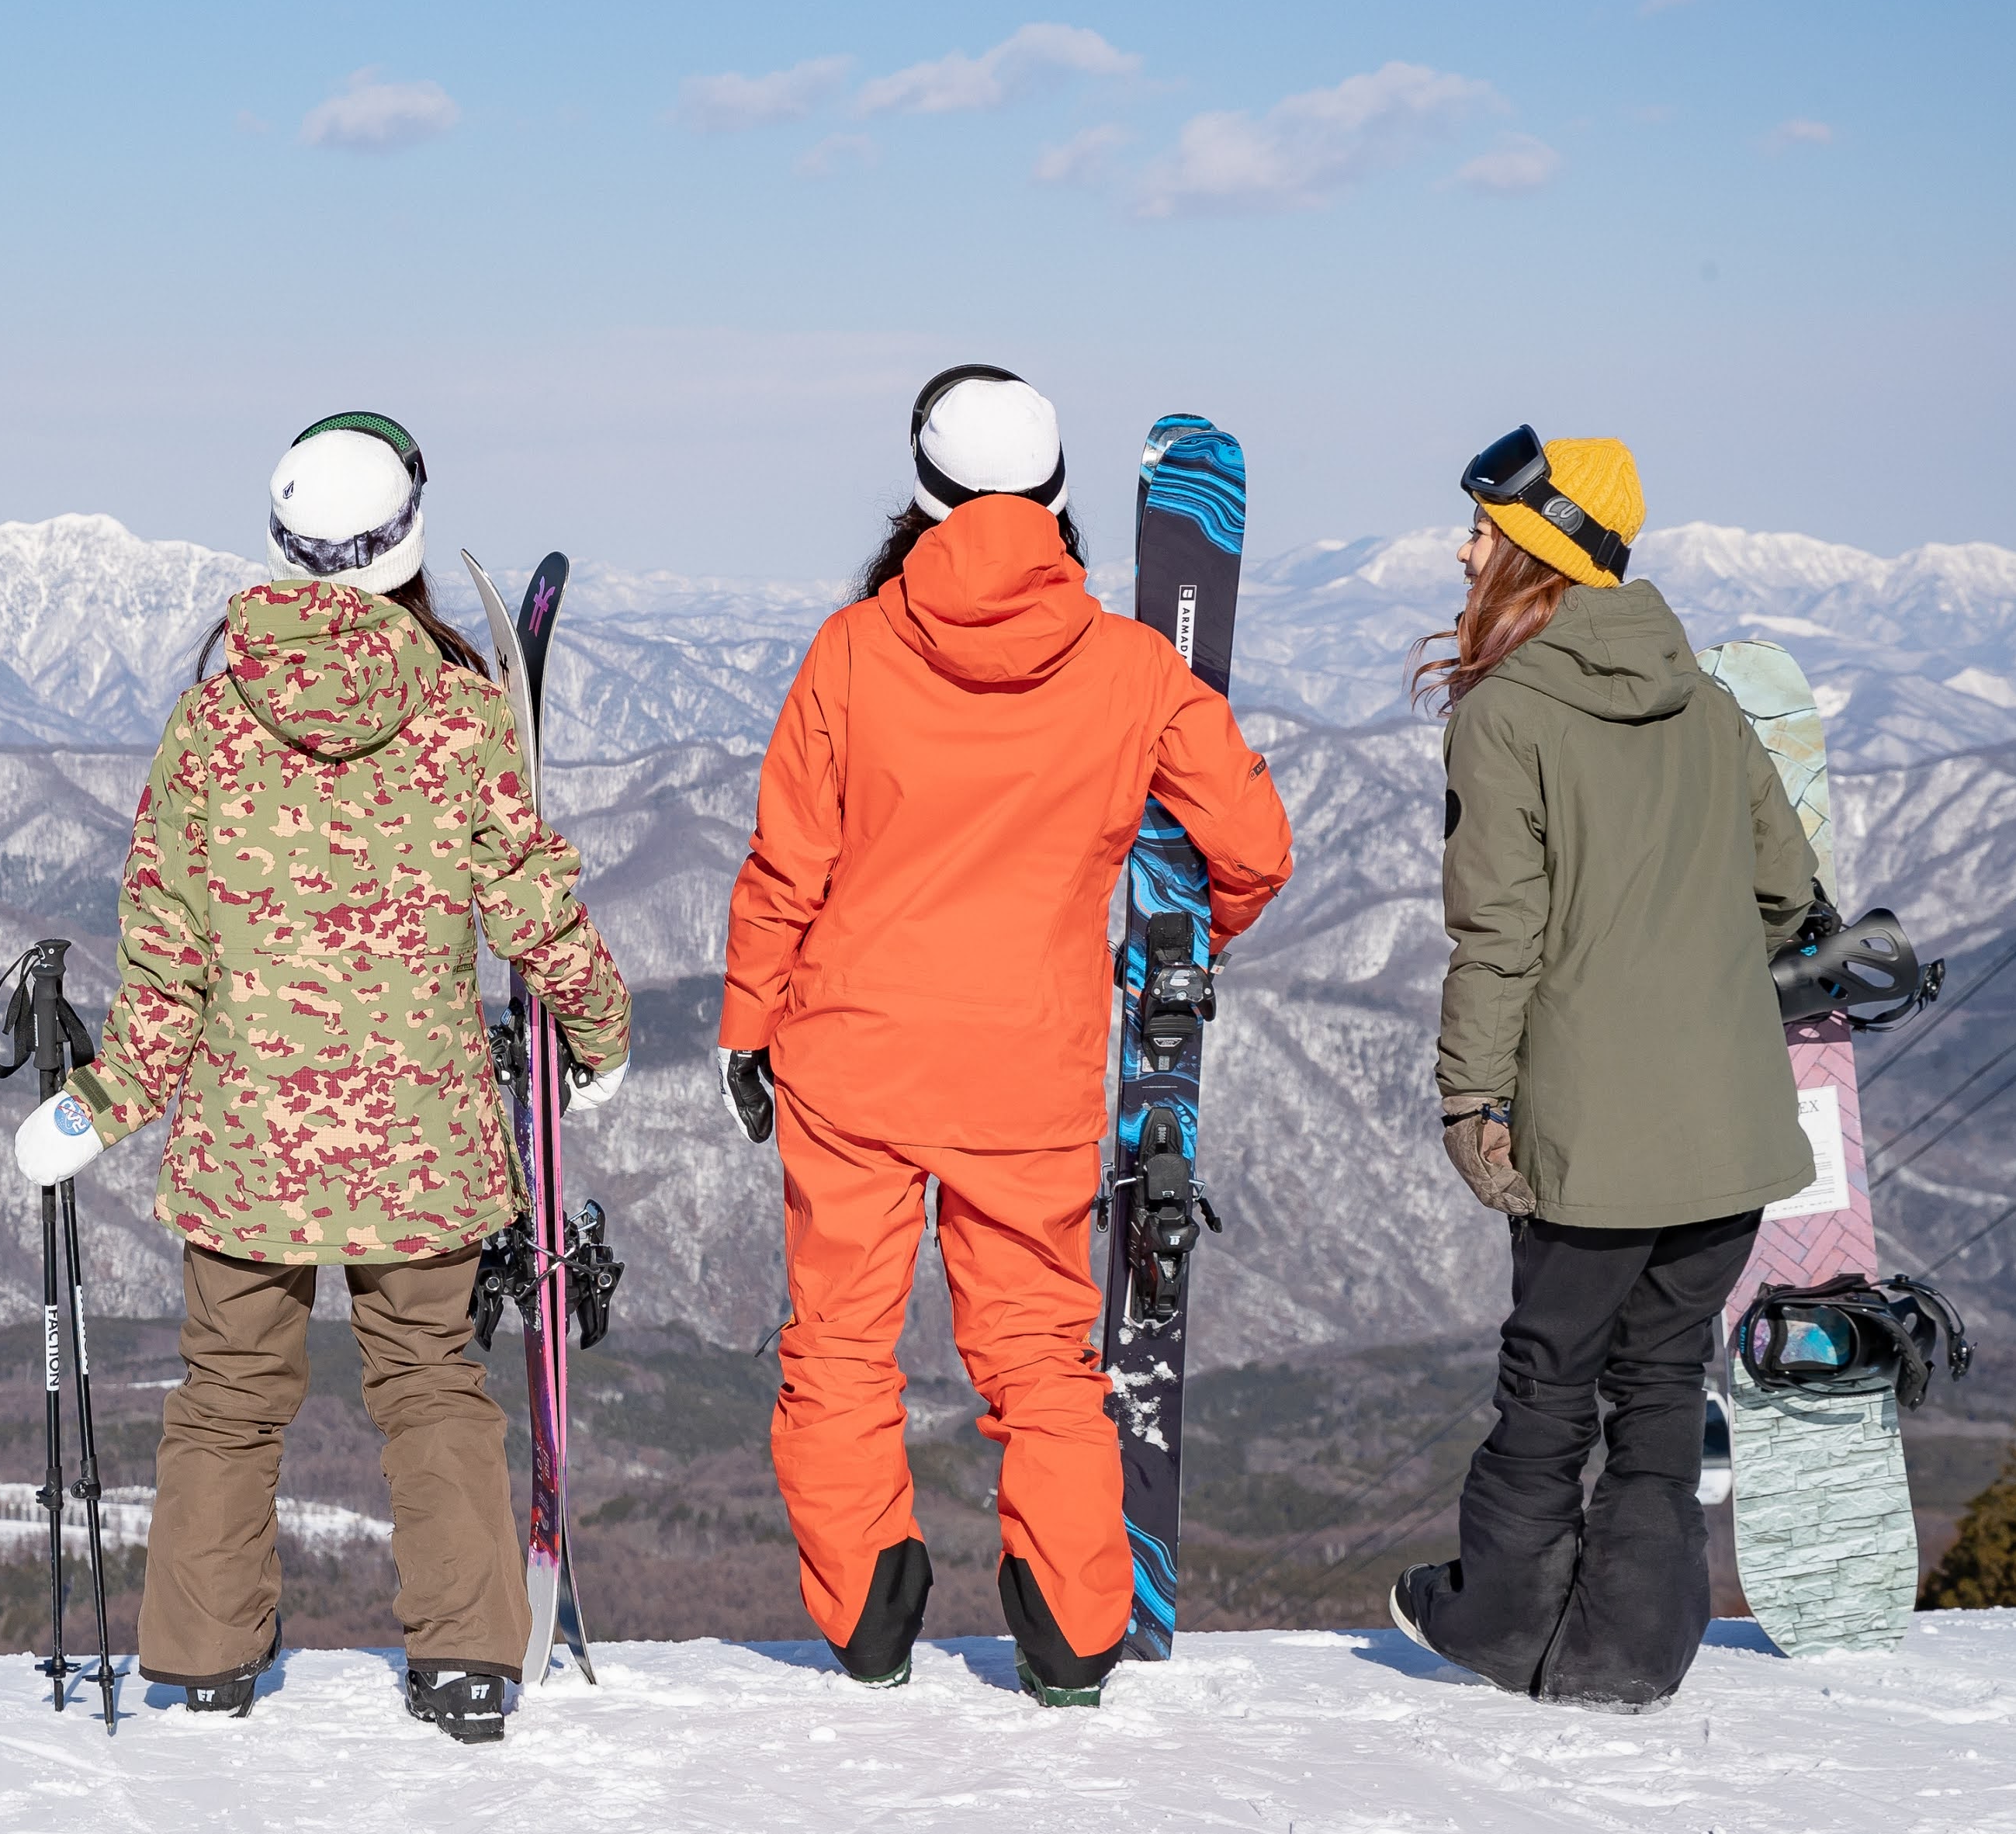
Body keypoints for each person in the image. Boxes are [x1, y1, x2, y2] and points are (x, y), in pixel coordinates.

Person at [9, 410, 630, 1746]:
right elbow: (530, 904)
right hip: (423, 1137)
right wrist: (599, 1030)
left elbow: (165, 955)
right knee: (429, 1383)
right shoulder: (463, 710)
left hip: (248, 1141)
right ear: (405, 532)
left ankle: (197, 1660)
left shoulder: (210, 723)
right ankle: (467, 1657)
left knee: (229, 1395)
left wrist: (100, 1105)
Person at [718, 365, 1295, 1705]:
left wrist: (748, 1024)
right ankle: (1074, 1633)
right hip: (1025, 1071)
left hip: (848, 1058)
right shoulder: (1129, 668)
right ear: (1054, 496)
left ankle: (867, 1616)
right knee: (1041, 1354)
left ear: (920, 491)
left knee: (841, 1346)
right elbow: (1253, 842)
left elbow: (784, 864)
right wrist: (1194, 928)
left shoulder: (852, 648)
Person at [1391, 428, 1818, 1708]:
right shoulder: (1708, 702)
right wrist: (1683, 983)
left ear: (1535, 556)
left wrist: (1470, 1100)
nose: (1461, 550)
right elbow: (1787, 890)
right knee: (1660, 1381)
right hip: (1730, 1123)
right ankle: (1632, 1648)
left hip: (1592, 1131)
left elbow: (1497, 936)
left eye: (1483, 532)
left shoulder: (1505, 714)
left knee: (1550, 1373)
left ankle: (1502, 1619)